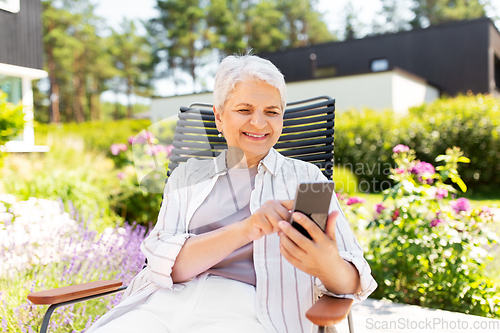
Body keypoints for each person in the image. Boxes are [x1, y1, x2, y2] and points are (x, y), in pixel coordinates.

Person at [88, 54, 377, 333]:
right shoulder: (187, 176)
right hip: (162, 307)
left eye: (272, 112)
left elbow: (354, 282)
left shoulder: (305, 180)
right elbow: (165, 266)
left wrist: (327, 262)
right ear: (219, 117)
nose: (259, 123)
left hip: (252, 313)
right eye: (244, 110)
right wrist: (247, 229)